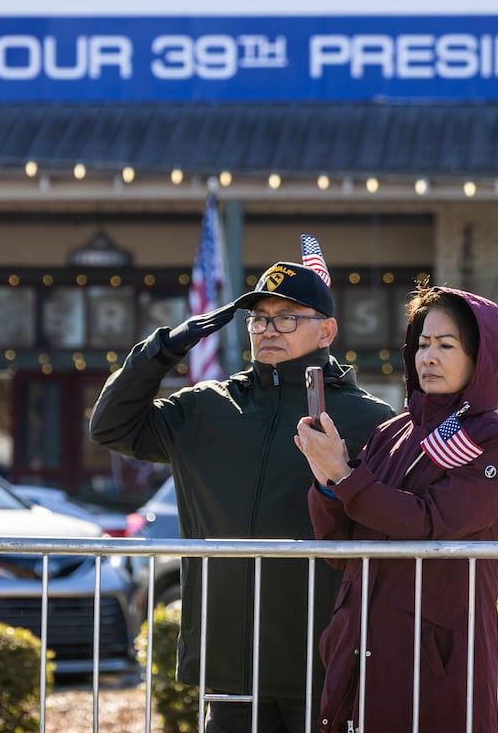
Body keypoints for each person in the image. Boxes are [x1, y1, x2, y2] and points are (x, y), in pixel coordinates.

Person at [90, 251, 393, 733]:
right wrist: (165, 347)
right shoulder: (206, 408)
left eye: (288, 317)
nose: (269, 329)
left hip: (323, 660)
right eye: (259, 318)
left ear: (327, 332)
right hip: (231, 659)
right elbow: (110, 427)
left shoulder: (371, 420)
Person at [296, 285, 498, 733]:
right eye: (422, 344)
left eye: (446, 345)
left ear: (483, 358)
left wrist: (345, 476)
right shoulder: (391, 433)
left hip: (436, 653)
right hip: (360, 641)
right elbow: (337, 544)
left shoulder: (496, 441)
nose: (429, 357)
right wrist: (327, 480)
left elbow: (429, 523)